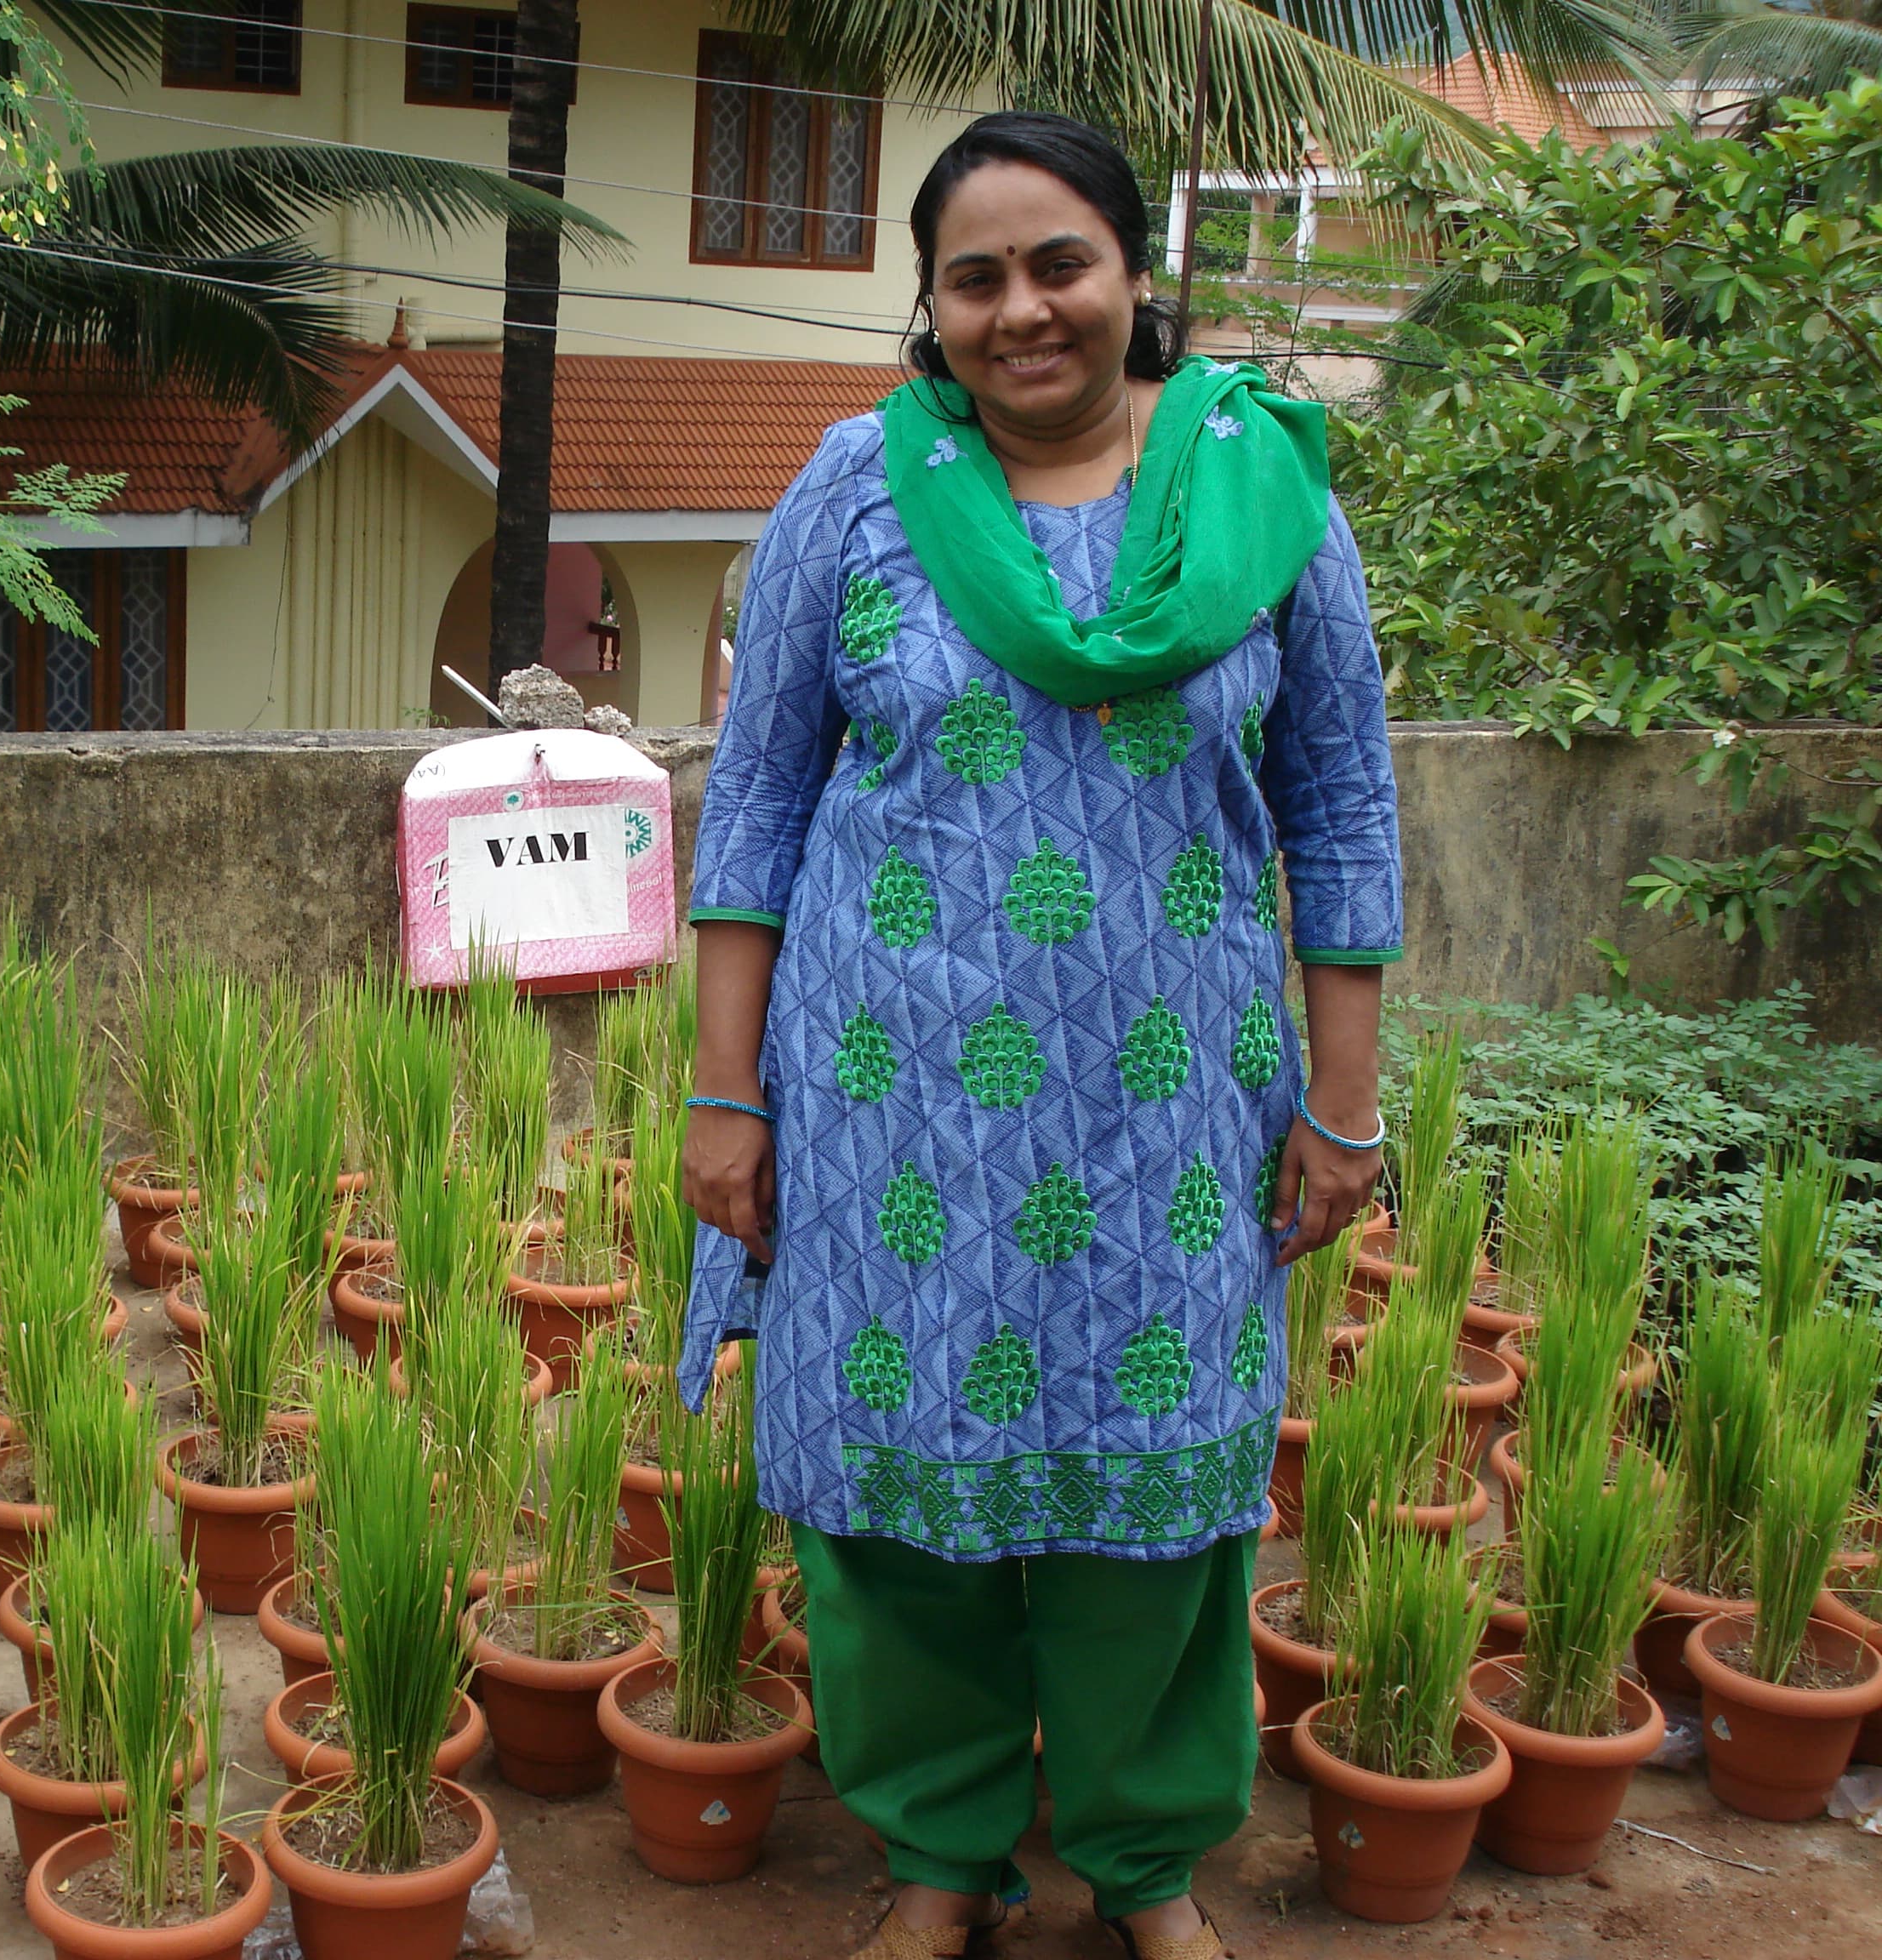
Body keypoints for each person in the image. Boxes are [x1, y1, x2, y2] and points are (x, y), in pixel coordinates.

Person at [677, 112, 1400, 1960]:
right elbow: (754, 814)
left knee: (1153, 1511)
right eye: (976, 276)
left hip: (1169, 1117)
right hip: (887, 1111)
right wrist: (723, 1096)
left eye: (1059, 262)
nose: (1024, 310)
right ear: (930, 306)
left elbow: (1342, 815)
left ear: (1135, 272)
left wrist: (1344, 1108)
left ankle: (1145, 1868)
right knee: (902, 1509)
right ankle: (937, 1861)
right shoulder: (854, 491)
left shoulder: (1264, 497)